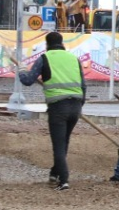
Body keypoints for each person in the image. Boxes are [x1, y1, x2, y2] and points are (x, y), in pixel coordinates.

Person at [17, 31, 85, 190]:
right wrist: (81, 104)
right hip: (75, 106)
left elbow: (27, 80)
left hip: (58, 107)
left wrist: (21, 70)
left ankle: (64, 180)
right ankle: (55, 174)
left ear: (47, 44)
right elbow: (83, 85)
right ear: (62, 43)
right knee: (64, 142)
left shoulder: (44, 58)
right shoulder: (74, 59)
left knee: (58, 145)